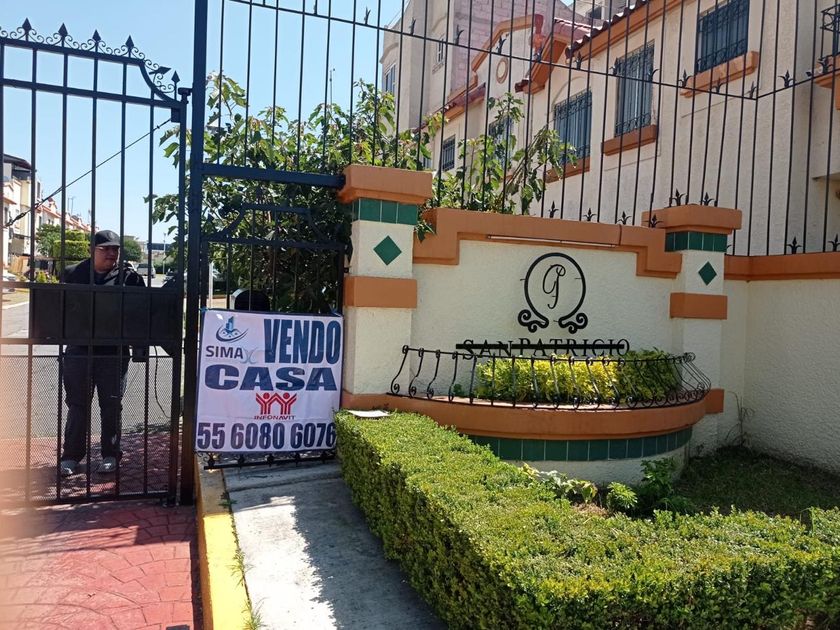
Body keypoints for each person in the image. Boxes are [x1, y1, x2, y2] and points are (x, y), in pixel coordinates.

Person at [59, 230, 146, 477]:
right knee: (77, 405)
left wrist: (140, 345)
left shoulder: (129, 278)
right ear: (92, 250)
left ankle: (110, 454)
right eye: (105, 248)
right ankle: (71, 456)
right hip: (78, 350)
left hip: (113, 353)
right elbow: (57, 308)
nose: (111, 253)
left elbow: (142, 313)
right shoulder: (72, 274)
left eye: (115, 249)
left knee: (111, 405)